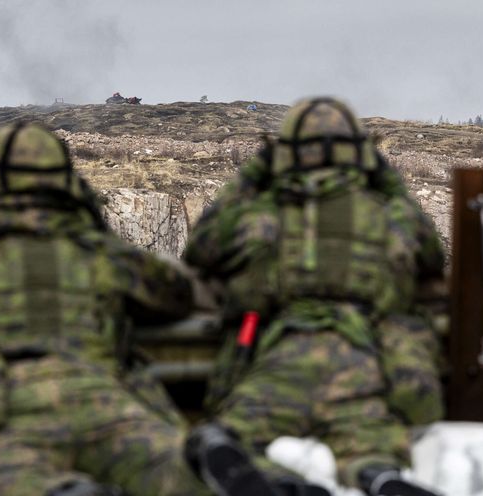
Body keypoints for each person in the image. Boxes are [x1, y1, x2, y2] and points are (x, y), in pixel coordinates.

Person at [0, 122, 219, 496]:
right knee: (176, 471)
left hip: (5, 411)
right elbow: (174, 295)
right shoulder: (101, 255)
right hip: (107, 402)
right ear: (67, 184)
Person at [184, 97, 445, 496]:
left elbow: (200, 247)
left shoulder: (264, 215)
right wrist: (384, 176)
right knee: (370, 446)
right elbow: (431, 254)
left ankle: (273, 481)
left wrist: (255, 172)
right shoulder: (387, 214)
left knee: (229, 435)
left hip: (281, 351)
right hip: (360, 355)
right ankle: (380, 478)